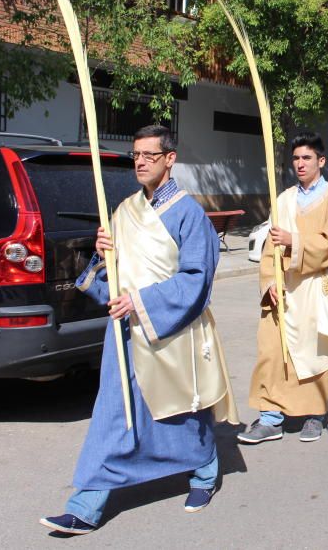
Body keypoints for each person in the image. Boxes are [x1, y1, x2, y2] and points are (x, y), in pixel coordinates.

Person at [41, 125, 238, 535]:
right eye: (135, 155)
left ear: (170, 159)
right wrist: (102, 256)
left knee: (183, 410)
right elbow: (109, 275)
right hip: (126, 333)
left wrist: (143, 301)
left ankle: (204, 470)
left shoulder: (190, 214)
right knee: (114, 412)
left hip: (174, 330)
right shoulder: (124, 211)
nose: (140, 162)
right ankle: (86, 504)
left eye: (149, 155)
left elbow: (197, 279)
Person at [239, 133, 328, 444]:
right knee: (272, 353)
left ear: (321, 161)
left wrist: (295, 241)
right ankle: (270, 417)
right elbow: (268, 249)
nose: (300, 164)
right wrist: (270, 281)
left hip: (315, 286)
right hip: (283, 287)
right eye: (296, 159)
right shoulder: (283, 199)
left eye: (307, 158)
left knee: (316, 352)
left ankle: (313, 414)